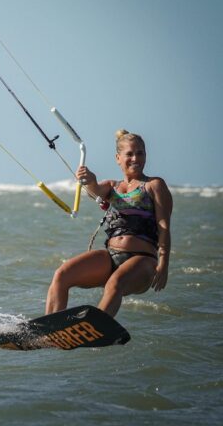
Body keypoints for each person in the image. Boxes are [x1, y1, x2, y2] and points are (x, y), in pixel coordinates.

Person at [45, 129, 173, 317]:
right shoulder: (112, 187)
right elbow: (94, 190)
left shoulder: (154, 185)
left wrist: (164, 264)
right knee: (62, 274)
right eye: (129, 154)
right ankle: (48, 328)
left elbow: (164, 226)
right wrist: (89, 180)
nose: (135, 158)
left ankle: (93, 328)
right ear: (118, 158)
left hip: (143, 260)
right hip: (111, 256)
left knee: (115, 284)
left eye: (140, 153)